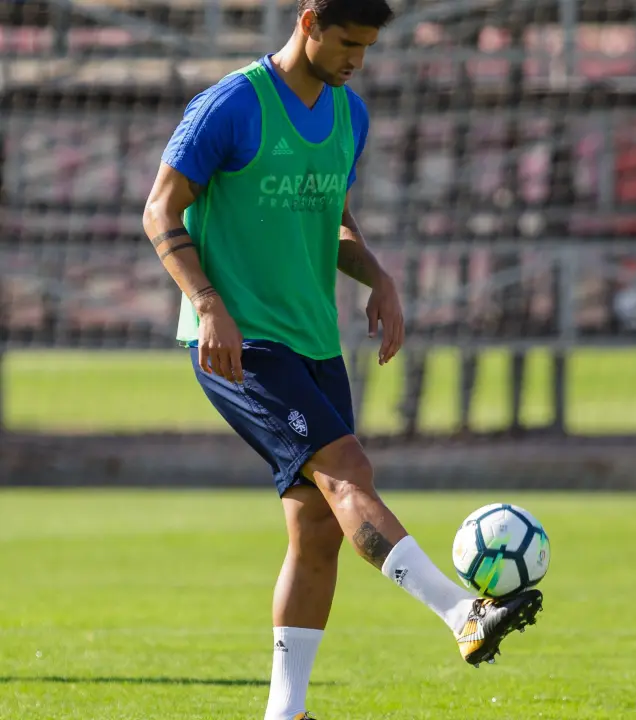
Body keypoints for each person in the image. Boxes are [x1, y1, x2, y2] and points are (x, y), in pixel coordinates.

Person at [141, 2, 543, 718]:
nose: (357, 59)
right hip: (241, 344)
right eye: (347, 42)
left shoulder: (349, 114)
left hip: (315, 342)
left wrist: (377, 276)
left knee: (318, 529)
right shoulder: (231, 105)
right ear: (308, 22)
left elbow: (331, 218)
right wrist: (207, 304)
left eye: (368, 47)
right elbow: (160, 211)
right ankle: (462, 614)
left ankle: (285, 712)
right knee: (348, 469)